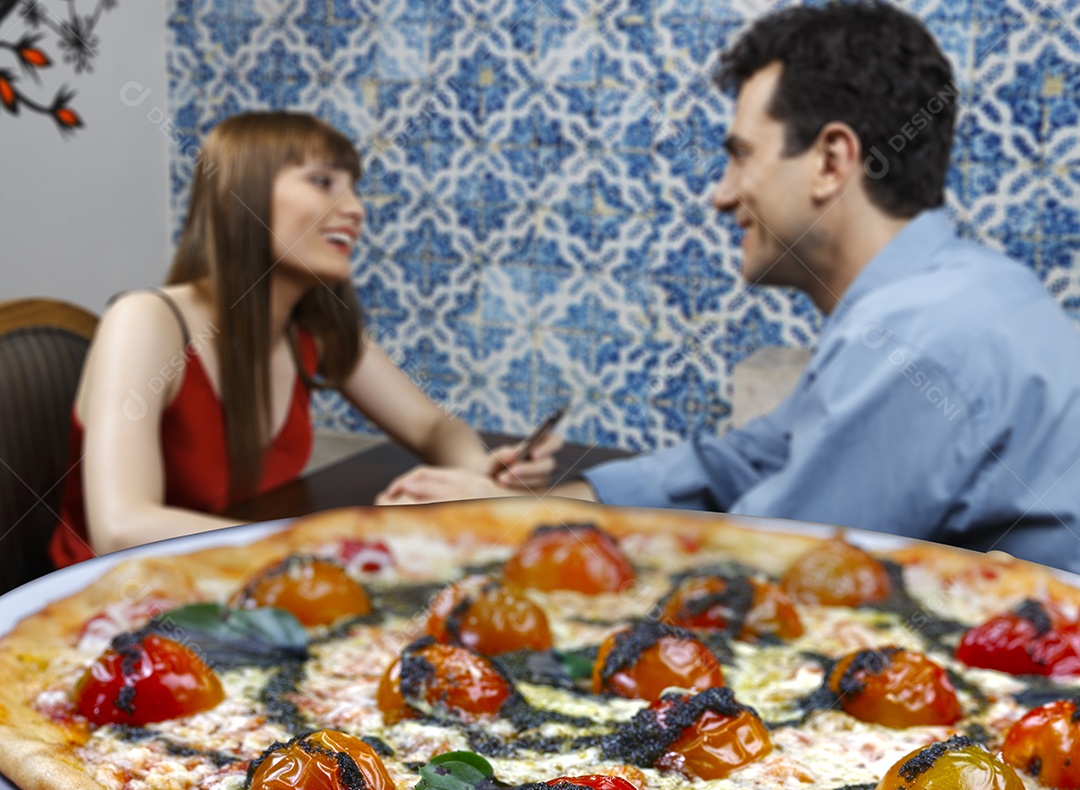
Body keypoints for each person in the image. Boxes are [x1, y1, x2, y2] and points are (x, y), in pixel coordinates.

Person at [376, 1, 1080, 573]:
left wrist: (513, 523)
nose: (721, 195)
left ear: (831, 161)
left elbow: (760, 573)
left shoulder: (915, 338)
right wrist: (554, 502)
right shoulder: (962, 289)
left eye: (741, 156)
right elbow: (750, 456)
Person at [49, 111, 556, 566]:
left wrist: (478, 471)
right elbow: (122, 529)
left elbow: (432, 426)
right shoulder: (146, 320)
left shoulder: (310, 328)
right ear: (242, 194)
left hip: (233, 581)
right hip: (111, 605)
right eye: (323, 181)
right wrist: (325, 542)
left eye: (353, 188)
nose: (355, 209)